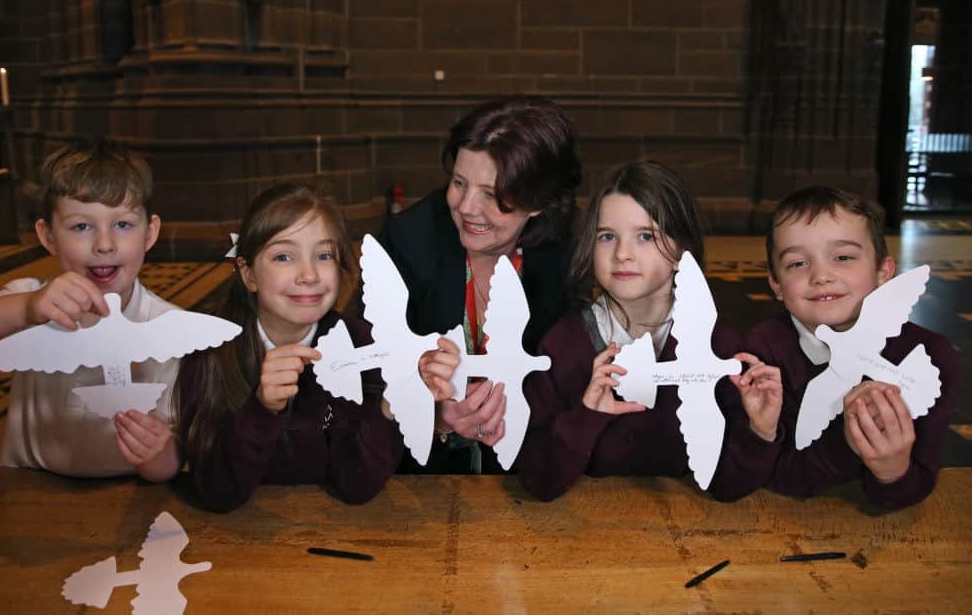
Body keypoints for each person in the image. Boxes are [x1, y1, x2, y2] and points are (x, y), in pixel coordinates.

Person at [517, 161, 782, 501]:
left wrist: (760, 431)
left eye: (645, 236)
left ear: (680, 251)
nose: (622, 254)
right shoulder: (563, 345)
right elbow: (537, 480)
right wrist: (586, 417)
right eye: (607, 236)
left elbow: (728, 487)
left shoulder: (720, 348)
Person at [0, 139, 179, 481]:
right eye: (81, 226)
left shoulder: (170, 330)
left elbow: (172, 462)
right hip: (28, 488)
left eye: (123, 224)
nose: (104, 244)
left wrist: (158, 455)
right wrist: (25, 310)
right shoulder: (26, 302)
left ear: (151, 232)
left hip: (129, 497)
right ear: (48, 235)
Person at [381, 95, 582, 474]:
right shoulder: (409, 241)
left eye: (491, 194)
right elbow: (367, 376)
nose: (467, 206)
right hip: (423, 474)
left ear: (538, 200)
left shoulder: (568, 255)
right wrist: (435, 416)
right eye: (459, 182)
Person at [173, 184, 404, 512]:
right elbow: (216, 492)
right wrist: (262, 409)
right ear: (248, 273)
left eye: (324, 255)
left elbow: (355, 486)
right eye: (284, 256)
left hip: (330, 530)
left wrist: (391, 407)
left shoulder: (361, 344)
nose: (309, 275)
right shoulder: (211, 348)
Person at [747, 186, 959, 509]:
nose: (821, 275)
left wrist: (893, 470)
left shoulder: (932, 357)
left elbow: (915, 487)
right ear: (776, 284)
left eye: (843, 257)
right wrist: (846, 442)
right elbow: (774, 473)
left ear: (883, 272)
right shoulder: (765, 350)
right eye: (797, 264)